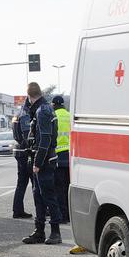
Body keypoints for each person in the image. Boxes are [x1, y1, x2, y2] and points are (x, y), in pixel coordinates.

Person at [22, 82, 62, 245]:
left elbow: (45, 139)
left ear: (29, 96)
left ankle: (55, 232)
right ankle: (39, 231)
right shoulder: (42, 109)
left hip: (44, 161)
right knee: (38, 196)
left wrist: (38, 163)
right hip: (41, 159)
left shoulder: (42, 110)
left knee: (48, 197)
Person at [52, 94, 71, 224]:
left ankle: (63, 216)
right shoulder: (69, 116)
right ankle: (70, 215)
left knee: (59, 188)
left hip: (58, 156)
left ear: (53, 105)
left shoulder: (54, 116)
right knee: (68, 187)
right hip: (70, 156)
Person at [11, 108, 33, 219]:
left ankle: (17, 210)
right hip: (25, 152)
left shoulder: (18, 114)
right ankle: (42, 210)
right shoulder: (25, 115)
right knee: (35, 182)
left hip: (19, 151)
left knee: (22, 183)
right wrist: (31, 147)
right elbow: (27, 134)